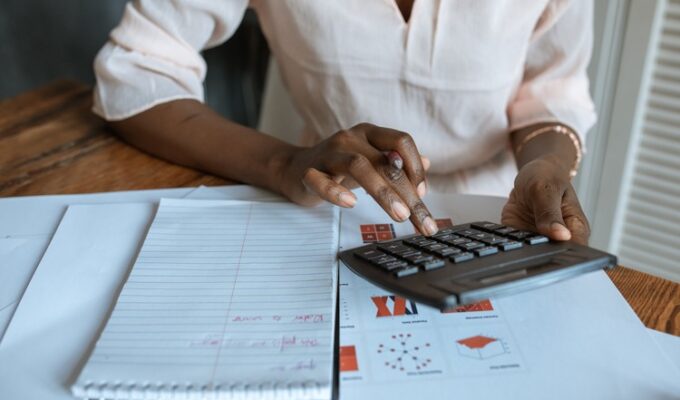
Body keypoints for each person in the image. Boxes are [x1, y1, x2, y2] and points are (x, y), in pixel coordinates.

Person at [94, 0, 594, 244]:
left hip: (500, 220)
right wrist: (283, 163)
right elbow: (137, 71)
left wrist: (547, 164)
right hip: (325, 205)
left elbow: (552, 91)